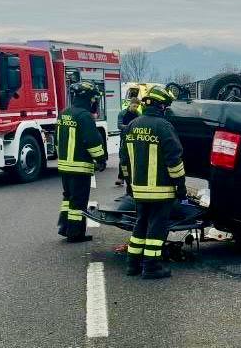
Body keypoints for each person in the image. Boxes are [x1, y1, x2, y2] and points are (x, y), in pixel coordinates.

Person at [120, 86, 186, 279]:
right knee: (157, 228)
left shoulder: (132, 125)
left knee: (140, 225)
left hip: (139, 190)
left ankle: (132, 264)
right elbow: (174, 159)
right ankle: (151, 267)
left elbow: (124, 160)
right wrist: (180, 185)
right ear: (161, 106)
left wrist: (129, 185)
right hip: (161, 191)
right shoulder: (163, 126)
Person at [57, 81, 108, 243]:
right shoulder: (84, 116)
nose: (94, 102)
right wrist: (100, 159)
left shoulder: (64, 113)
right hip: (79, 167)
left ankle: (64, 228)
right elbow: (92, 141)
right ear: (87, 99)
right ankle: (75, 234)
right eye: (93, 99)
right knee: (78, 201)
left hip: (65, 165)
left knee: (68, 198)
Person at [115, 97, 141, 186]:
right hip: (124, 138)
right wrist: (130, 127)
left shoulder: (138, 115)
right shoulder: (122, 113)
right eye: (134, 106)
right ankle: (121, 177)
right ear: (130, 104)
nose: (135, 108)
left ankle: (133, 178)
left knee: (135, 159)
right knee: (123, 159)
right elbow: (119, 125)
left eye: (137, 107)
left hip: (135, 139)